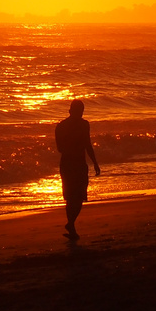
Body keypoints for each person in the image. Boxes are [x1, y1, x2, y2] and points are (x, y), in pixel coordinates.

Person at [54, 99, 100, 240]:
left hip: (74, 163)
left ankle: (71, 223)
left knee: (77, 196)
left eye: (81, 111)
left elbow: (86, 145)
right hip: (73, 163)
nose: (80, 114)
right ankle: (71, 225)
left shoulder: (71, 126)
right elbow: (85, 145)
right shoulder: (67, 126)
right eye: (79, 111)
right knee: (73, 196)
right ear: (71, 111)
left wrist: (95, 163)